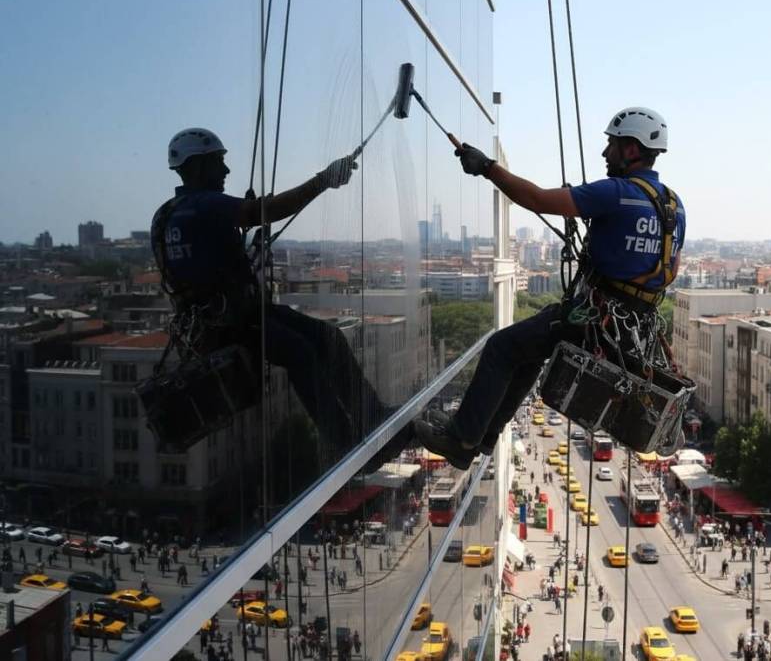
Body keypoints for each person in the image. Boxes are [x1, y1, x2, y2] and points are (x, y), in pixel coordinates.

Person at [414, 109, 685, 467]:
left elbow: (537, 200)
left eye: (612, 145)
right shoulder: (673, 206)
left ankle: (462, 440)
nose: (605, 153)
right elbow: (670, 269)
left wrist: (488, 168)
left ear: (631, 150)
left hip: (597, 319)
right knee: (527, 349)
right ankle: (484, 434)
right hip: (630, 328)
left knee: (500, 347)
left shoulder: (616, 193)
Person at [149, 128, 411, 463]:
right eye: (218, 162)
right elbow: (265, 210)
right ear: (197, 166)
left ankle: (366, 422)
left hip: (224, 319)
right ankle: (346, 443)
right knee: (302, 352)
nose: (226, 170)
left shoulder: (167, 214)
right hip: (234, 322)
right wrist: (323, 180)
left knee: (326, 337)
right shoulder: (204, 205)